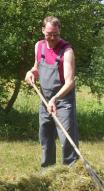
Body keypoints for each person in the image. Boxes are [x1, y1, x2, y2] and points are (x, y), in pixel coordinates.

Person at [25, 16, 79, 168]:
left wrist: (55, 99)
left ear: (59, 31)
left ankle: (71, 171)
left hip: (63, 99)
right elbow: (36, 67)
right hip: (44, 98)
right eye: (49, 33)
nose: (53, 37)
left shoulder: (67, 51)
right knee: (45, 135)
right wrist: (31, 72)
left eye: (56, 34)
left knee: (66, 136)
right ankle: (47, 169)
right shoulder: (39, 46)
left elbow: (70, 82)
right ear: (43, 30)